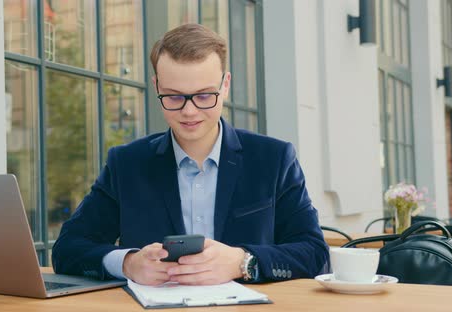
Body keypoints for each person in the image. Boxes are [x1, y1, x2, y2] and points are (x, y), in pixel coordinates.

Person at [52, 23, 328, 286]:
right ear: (157, 86)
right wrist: (128, 263)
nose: (189, 111)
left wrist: (244, 262)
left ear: (225, 85)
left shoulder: (274, 158)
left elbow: (315, 254)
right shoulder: (126, 164)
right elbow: (68, 249)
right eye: (173, 97)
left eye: (205, 95)